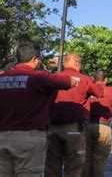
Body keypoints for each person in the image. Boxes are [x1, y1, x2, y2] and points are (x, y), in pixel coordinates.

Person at [0, 42, 76, 176]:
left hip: (2, 137)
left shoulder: (2, 78)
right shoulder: (38, 77)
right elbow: (68, 82)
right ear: (35, 59)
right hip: (29, 138)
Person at [46, 54, 104, 177]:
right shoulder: (84, 79)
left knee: (51, 165)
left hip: (52, 127)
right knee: (74, 166)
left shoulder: (53, 77)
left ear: (64, 63)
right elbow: (99, 93)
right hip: (74, 128)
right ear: (78, 64)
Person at [82, 70, 112, 177]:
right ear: (105, 80)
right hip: (103, 126)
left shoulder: (88, 88)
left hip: (87, 125)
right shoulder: (111, 90)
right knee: (99, 159)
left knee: (86, 158)